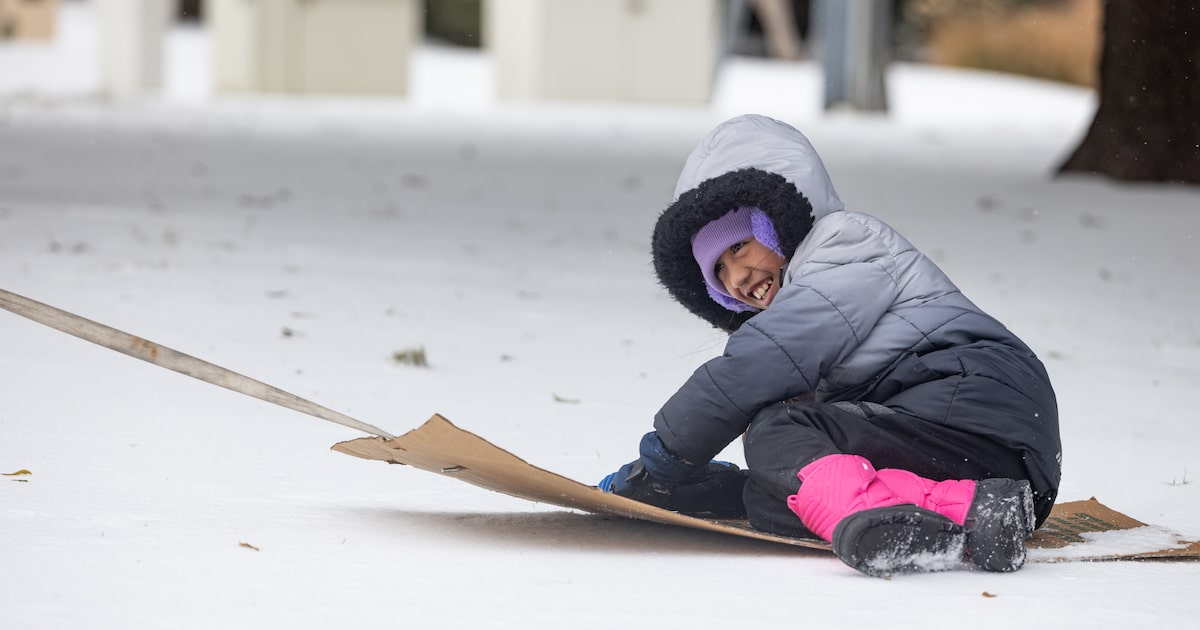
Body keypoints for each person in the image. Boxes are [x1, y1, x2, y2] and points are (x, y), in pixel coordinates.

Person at [599, 114, 1061, 576]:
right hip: (978, 463)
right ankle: (973, 510)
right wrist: (709, 486)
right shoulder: (802, 300)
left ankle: (963, 508)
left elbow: (760, 364)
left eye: (740, 247)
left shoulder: (845, 244)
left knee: (775, 430)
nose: (736, 277)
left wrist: (665, 456)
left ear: (777, 223)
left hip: (974, 413)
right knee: (777, 501)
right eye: (718, 270)